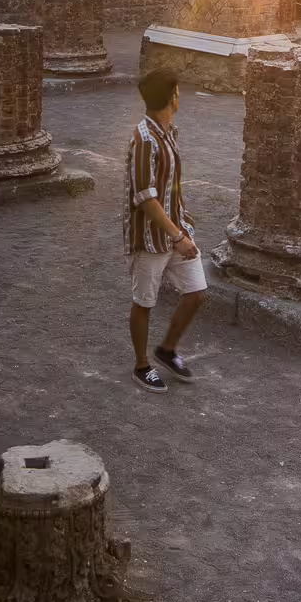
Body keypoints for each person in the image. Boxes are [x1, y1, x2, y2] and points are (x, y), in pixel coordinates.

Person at [124, 67, 206, 391]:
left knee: (196, 293)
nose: (179, 96)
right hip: (150, 238)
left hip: (176, 229)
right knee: (144, 301)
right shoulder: (143, 139)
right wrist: (178, 237)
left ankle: (167, 349)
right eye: (177, 91)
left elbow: (169, 184)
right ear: (171, 97)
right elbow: (145, 198)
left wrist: (182, 218)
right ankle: (142, 366)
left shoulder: (170, 131)